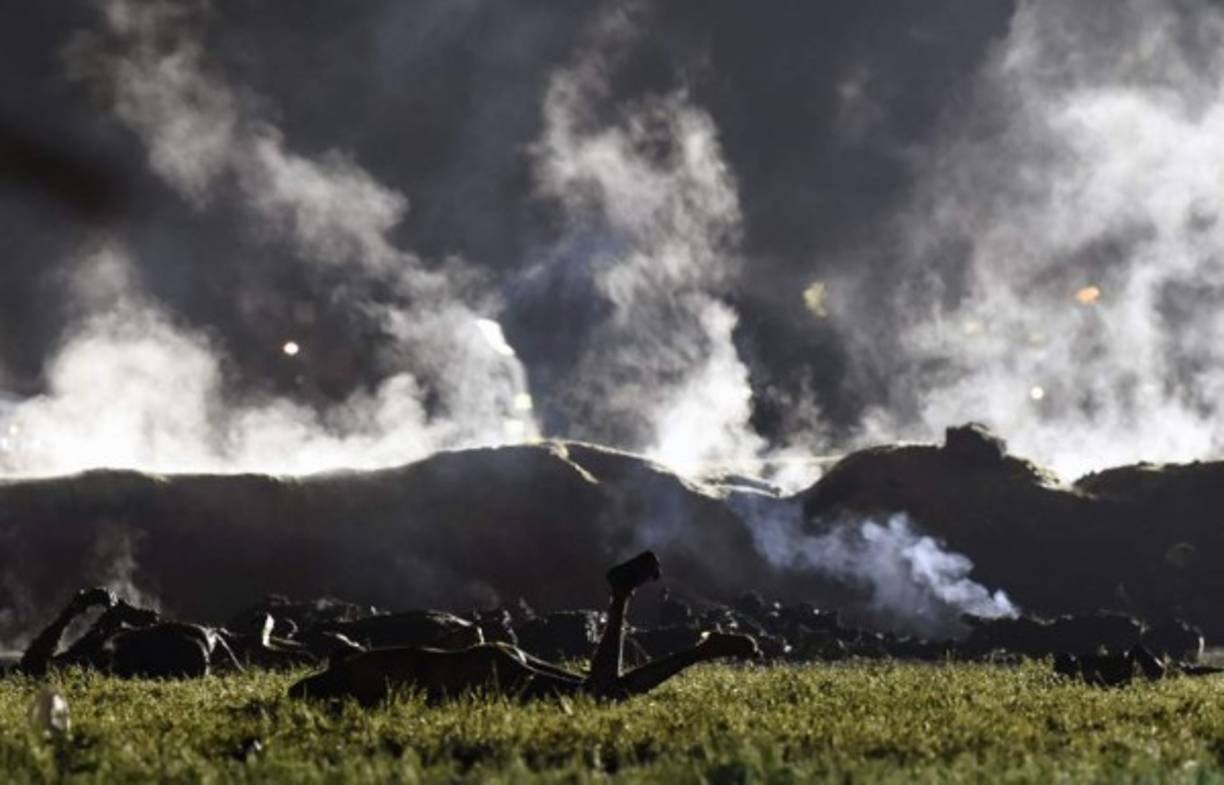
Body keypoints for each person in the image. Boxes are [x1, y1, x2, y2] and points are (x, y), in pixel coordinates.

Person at [289, 551, 760, 704]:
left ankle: (625, 600)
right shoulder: (369, 665)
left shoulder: (358, 678)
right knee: (601, 690)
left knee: (600, 696)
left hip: (487, 675)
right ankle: (689, 640)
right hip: (489, 663)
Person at [18, 587, 239, 679]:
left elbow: (32, 663)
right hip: (172, 651)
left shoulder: (108, 656)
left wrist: (71, 612)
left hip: (115, 654)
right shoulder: (119, 650)